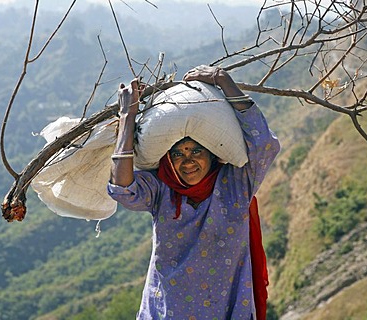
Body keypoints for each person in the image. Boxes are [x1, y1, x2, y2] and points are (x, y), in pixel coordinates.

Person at [107, 65, 280, 320]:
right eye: (178, 154)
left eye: (196, 151)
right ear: (168, 160)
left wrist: (223, 80)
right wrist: (127, 117)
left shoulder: (235, 185)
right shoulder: (161, 189)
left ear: (212, 153)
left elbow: (264, 144)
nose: (187, 162)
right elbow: (123, 190)